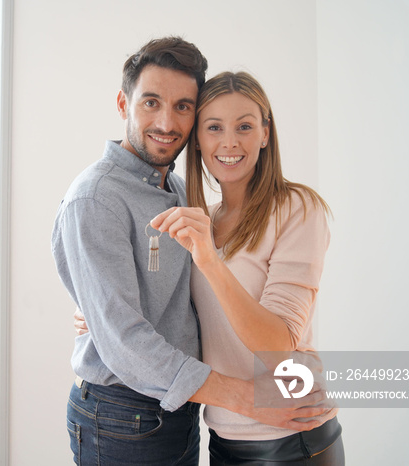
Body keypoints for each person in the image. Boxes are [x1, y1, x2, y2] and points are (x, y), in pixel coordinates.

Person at [53, 37, 328, 466]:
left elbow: (191, 303)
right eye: (151, 102)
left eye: (183, 106)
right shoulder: (96, 198)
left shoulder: (185, 201)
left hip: (201, 416)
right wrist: (105, 322)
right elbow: (124, 340)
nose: (167, 121)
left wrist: (109, 315)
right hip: (127, 414)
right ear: (123, 104)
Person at [150, 71, 344, 464]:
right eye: (214, 127)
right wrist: (106, 308)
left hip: (293, 438)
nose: (230, 142)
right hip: (224, 437)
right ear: (198, 139)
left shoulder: (297, 209)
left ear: (265, 134)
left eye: (244, 126)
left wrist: (209, 260)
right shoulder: (204, 220)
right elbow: (180, 315)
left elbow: (277, 346)